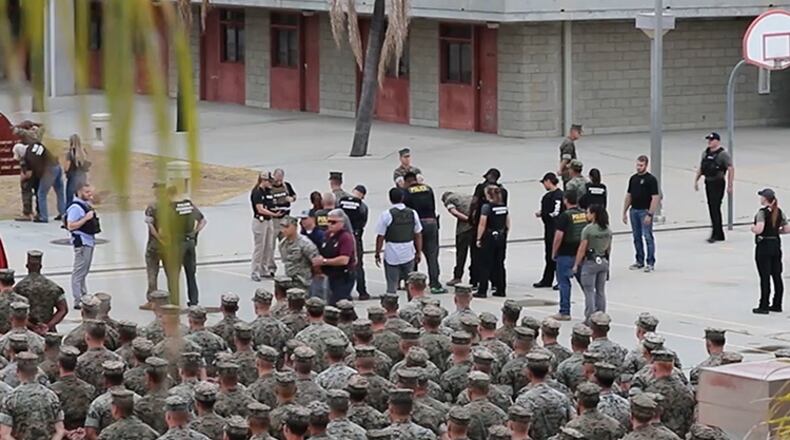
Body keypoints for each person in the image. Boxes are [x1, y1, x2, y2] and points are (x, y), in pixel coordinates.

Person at [0, 351, 66, 440]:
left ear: (17, 371)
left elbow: (5, 434)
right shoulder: (51, 396)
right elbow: (60, 430)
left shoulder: (10, 398)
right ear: (37, 372)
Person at [403, 172, 446, 294]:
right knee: (432, 256)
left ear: (407, 182)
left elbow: (408, 211)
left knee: (414, 254)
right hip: (431, 222)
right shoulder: (428, 189)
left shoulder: (406, 192)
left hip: (417, 225)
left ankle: (414, 282)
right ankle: (435, 284)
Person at [375, 188, 423, 295]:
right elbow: (418, 233)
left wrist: (377, 253)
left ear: (390, 199)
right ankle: (412, 306)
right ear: (403, 198)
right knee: (410, 285)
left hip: (392, 253)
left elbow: (380, 236)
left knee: (391, 285)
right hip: (408, 253)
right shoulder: (413, 213)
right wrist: (418, 251)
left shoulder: (386, 214)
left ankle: (391, 307)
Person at [165, 186, 207, 306]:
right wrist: (195, 233)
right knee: (191, 274)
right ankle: (193, 301)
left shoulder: (170, 208)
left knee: (173, 274)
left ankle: (174, 301)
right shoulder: (188, 205)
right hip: (190, 242)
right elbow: (203, 221)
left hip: (176, 242)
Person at [552, 191, 588, 321]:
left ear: (565, 200)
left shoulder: (565, 216)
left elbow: (558, 236)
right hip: (580, 252)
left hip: (565, 253)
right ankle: (593, 308)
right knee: (585, 283)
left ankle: (565, 311)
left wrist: (554, 251)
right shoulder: (583, 214)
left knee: (564, 283)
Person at [751, 188, 787, 314]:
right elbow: (787, 228)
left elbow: (759, 229)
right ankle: (777, 303)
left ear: (765, 199)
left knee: (764, 276)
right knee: (777, 275)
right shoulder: (779, 212)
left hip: (764, 245)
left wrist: (753, 228)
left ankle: (764, 305)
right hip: (776, 244)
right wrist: (777, 232)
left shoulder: (762, 213)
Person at [470, 168, 508, 287]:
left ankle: (477, 281)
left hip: (484, 226)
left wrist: (471, 219)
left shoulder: (481, 189)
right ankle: (497, 283)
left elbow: (474, 203)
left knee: (479, 257)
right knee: (498, 260)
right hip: (500, 227)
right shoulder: (503, 190)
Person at [13, 250, 68, 332]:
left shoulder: (19, 288)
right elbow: (63, 309)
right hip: (48, 332)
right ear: (41, 266)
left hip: (27, 331)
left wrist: (32, 326)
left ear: (27, 266)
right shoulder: (53, 287)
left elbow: (13, 311)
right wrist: (49, 325)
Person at [694, 132, 734, 243]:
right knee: (712, 207)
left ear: (717, 141)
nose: (709, 142)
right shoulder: (705, 153)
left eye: (712, 140)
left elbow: (730, 168)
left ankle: (716, 233)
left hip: (718, 182)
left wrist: (730, 185)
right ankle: (718, 232)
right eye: (709, 140)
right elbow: (702, 167)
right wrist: (696, 180)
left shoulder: (723, 154)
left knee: (715, 207)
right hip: (708, 182)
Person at [574, 204, 612, 320]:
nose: (587, 215)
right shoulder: (607, 229)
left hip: (590, 261)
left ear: (593, 214)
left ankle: (590, 317)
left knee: (589, 291)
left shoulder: (588, 230)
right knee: (600, 291)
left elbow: (582, 247)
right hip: (603, 260)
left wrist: (576, 264)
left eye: (588, 213)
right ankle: (601, 315)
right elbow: (609, 247)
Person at [623, 155, 660, 272]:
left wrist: (650, 214)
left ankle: (650, 262)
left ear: (646, 165)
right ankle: (639, 260)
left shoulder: (651, 180)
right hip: (634, 210)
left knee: (647, 236)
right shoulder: (633, 179)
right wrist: (624, 211)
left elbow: (655, 197)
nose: (638, 167)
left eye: (641, 165)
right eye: (637, 165)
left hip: (644, 211)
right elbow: (629, 195)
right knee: (636, 237)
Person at [66, 182, 101, 306]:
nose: (89, 195)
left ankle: (83, 294)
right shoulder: (76, 208)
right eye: (86, 192)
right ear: (79, 192)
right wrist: (85, 218)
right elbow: (70, 225)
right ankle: (78, 299)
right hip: (82, 242)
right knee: (79, 271)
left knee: (84, 271)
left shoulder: (85, 205)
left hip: (88, 241)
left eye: (90, 192)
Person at [313, 209, 357, 305]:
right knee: (330, 301)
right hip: (331, 275)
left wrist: (324, 261)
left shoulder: (345, 237)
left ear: (342, 222)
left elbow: (344, 260)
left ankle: (349, 318)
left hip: (343, 276)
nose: (330, 224)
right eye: (328, 221)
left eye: (333, 222)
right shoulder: (327, 235)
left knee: (338, 302)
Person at [475, 185, 509, 299]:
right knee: (499, 263)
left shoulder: (487, 207)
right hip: (501, 236)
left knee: (485, 264)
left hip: (489, 236)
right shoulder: (503, 206)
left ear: (488, 195)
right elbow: (508, 223)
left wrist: (479, 238)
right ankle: (501, 289)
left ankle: (482, 290)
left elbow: (482, 223)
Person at [338, 185, 370, 300]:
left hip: (342, 235)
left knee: (343, 264)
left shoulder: (341, 202)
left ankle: (344, 292)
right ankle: (362, 292)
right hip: (355, 236)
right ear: (363, 195)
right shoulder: (362, 206)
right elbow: (363, 222)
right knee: (358, 265)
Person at [24, 137, 67, 223]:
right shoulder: (42, 145)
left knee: (41, 193)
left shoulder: (28, 151)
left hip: (49, 169)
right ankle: (63, 214)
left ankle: (43, 216)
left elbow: (31, 168)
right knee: (60, 192)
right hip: (57, 166)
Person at [250, 171, 282, 281]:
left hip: (269, 221)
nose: (271, 183)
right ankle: (255, 270)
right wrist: (274, 214)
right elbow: (260, 209)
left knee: (268, 246)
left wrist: (276, 209)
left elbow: (270, 204)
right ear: (263, 180)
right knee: (260, 247)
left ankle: (264, 269)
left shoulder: (268, 191)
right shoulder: (257, 192)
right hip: (260, 221)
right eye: (269, 181)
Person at [534, 172, 564, 288]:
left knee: (552, 254)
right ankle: (550, 279)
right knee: (553, 254)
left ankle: (555, 279)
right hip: (558, 228)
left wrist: (543, 214)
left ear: (548, 181)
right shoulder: (562, 195)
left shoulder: (550, 197)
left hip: (552, 229)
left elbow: (553, 213)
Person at [279, 216, 320, 294]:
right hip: (289, 280)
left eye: (287, 227)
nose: (283, 230)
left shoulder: (305, 243)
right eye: (282, 227)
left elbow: (316, 263)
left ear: (295, 227)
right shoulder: (283, 244)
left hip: (304, 282)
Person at [441, 191, 474, 287]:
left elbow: (454, 211)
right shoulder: (467, 196)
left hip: (464, 229)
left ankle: (457, 277)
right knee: (476, 255)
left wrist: (468, 219)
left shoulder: (449, 200)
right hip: (477, 227)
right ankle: (475, 278)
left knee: (461, 255)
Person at [13, 142, 37, 221]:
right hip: (33, 178)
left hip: (28, 181)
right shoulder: (29, 154)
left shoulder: (27, 157)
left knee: (26, 194)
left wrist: (22, 178)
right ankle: (30, 212)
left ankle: (27, 213)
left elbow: (28, 173)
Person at [65, 134, 91, 202]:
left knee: (70, 196)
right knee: (83, 195)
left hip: (73, 176)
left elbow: (67, 167)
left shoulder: (70, 153)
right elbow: (88, 161)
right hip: (83, 175)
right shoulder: (83, 151)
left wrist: (65, 172)